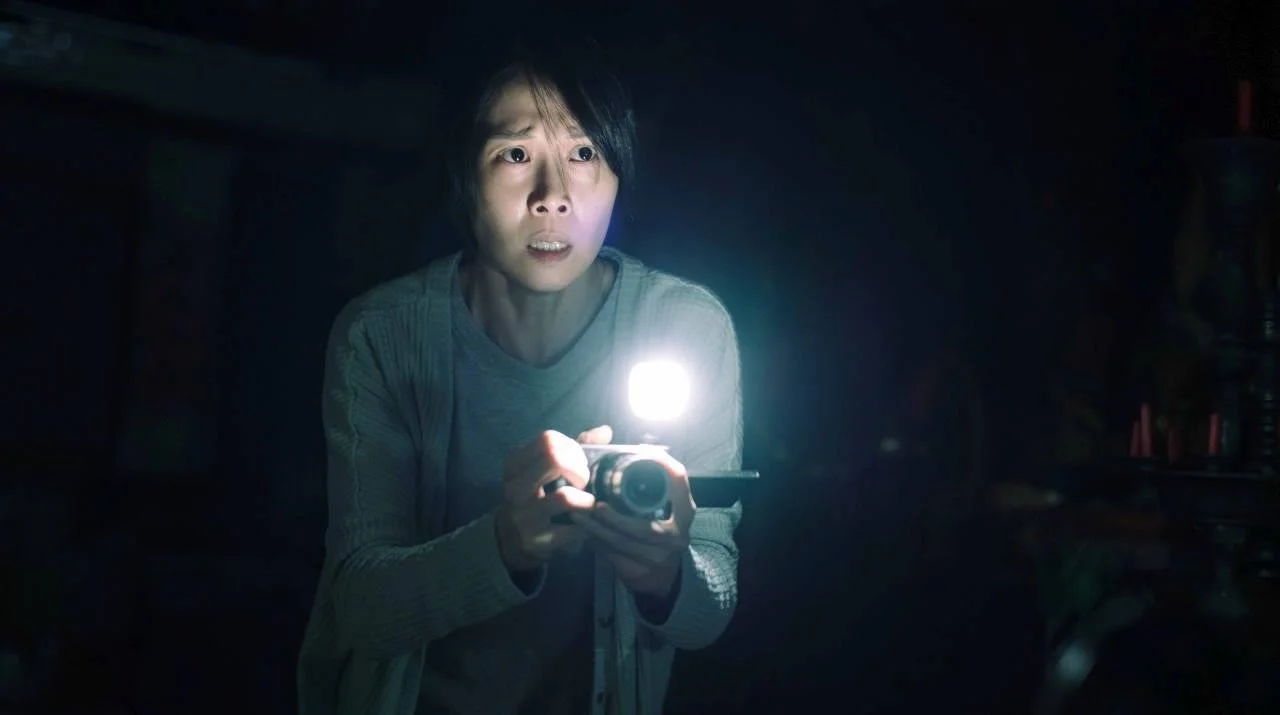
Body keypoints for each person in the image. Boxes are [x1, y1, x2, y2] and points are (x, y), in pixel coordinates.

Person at [296, 39, 745, 715]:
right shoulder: (382, 333)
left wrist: (665, 573)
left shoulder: (685, 326)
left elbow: (710, 606)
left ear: (620, 173)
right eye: (514, 154)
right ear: (463, 176)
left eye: (584, 153)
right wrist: (507, 544)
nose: (552, 196)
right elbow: (360, 607)